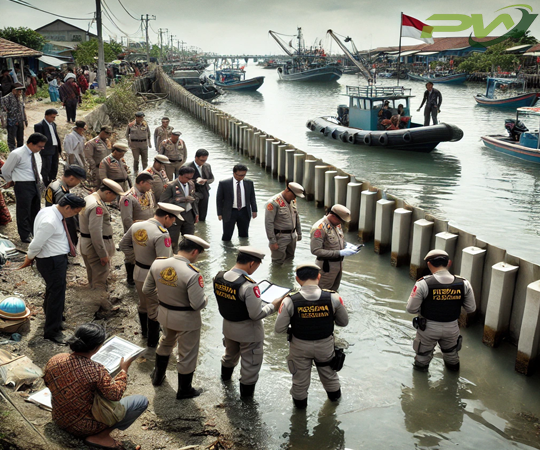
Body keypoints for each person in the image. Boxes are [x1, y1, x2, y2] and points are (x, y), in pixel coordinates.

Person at [43, 323, 148, 448]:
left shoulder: (55, 359)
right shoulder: (96, 370)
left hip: (59, 418)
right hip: (86, 427)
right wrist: (123, 370)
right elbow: (115, 394)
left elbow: (48, 382)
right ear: (97, 347)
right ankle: (101, 436)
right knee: (140, 401)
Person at [143, 235, 210, 399]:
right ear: (194, 252)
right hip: (186, 319)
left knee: (166, 341)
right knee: (187, 353)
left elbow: (146, 290)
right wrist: (206, 298)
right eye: (198, 254)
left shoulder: (158, 263)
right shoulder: (192, 274)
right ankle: (185, 389)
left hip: (165, 313)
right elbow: (197, 304)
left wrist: (164, 297)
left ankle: (157, 376)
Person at [274, 263, 349, 408]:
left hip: (299, 347)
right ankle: (334, 410)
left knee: (300, 382)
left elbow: (279, 329)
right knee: (330, 377)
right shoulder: (333, 297)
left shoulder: (290, 300)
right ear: (319, 277)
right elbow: (343, 322)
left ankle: (299, 418)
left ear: (297, 279)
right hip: (325, 346)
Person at [214, 246, 283, 397]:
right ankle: (246, 404)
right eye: (257, 265)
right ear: (252, 263)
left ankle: (225, 384)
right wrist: (273, 306)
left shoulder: (219, 276)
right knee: (250, 367)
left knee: (229, 356)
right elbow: (256, 314)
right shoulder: (249, 285)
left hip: (228, 327)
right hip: (248, 333)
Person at [18, 194, 84, 343]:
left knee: (53, 290)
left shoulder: (49, 211)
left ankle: (53, 317)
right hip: (52, 260)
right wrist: (29, 257)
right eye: (74, 212)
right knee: (57, 294)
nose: (74, 215)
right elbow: (36, 243)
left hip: (53, 259)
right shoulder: (50, 220)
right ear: (67, 207)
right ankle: (52, 332)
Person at [119, 203, 182, 347]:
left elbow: (123, 245)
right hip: (154, 277)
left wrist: (134, 259)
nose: (172, 224)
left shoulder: (137, 226)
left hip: (138, 272)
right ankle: (152, 345)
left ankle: (145, 334)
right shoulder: (161, 233)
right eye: (172, 220)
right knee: (154, 309)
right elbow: (165, 264)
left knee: (143, 305)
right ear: (166, 217)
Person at [406, 249, 476, 372]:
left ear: (429, 264)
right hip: (452, 327)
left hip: (428, 328)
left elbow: (411, 309)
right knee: (452, 357)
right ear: (449, 263)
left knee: (422, 359)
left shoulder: (423, 284)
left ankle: (420, 388)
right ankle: (453, 386)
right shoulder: (463, 283)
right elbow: (471, 308)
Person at [79, 179, 126, 301]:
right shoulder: (97, 206)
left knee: (92, 276)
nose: (114, 200)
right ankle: (99, 306)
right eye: (114, 196)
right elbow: (95, 232)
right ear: (108, 192)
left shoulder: (89, 198)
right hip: (95, 247)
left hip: (85, 242)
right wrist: (103, 254)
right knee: (100, 278)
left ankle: (94, 300)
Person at [1, 133, 47, 243]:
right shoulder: (17, 154)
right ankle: (25, 234)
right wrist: (11, 180)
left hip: (36, 183)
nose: (42, 148)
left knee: (35, 208)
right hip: (23, 184)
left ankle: (34, 231)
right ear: (31, 143)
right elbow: (6, 170)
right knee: (24, 210)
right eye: (40, 146)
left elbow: (37, 167)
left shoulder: (36, 153)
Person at [310, 204, 358, 291]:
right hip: (326, 268)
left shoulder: (336, 225)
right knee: (323, 292)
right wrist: (340, 253)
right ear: (332, 215)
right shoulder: (320, 228)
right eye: (340, 220)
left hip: (338, 265)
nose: (341, 223)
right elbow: (315, 250)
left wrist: (347, 245)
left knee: (334, 292)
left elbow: (339, 241)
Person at [120, 172, 156, 285]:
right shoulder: (128, 197)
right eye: (149, 184)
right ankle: (130, 279)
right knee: (132, 256)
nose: (151, 186)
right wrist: (134, 235)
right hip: (136, 233)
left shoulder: (148, 193)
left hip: (149, 231)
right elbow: (127, 219)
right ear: (141, 182)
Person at [159, 166, 198, 253]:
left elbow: (194, 200)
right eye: (187, 178)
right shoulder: (170, 185)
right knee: (173, 241)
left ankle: (187, 257)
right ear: (180, 175)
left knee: (190, 239)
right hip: (174, 216)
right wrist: (180, 199)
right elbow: (163, 201)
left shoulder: (191, 184)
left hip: (189, 215)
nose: (189, 180)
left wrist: (196, 213)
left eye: (190, 178)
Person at [216, 164, 258, 242]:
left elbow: (252, 197)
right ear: (234, 173)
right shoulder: (224, 183)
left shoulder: (249, 183)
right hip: (230, 211)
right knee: (227, 235)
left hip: (244, 211)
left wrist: (254, 210)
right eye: (240, 175)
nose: (241, 177)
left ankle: (244, 250)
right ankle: (227, 252)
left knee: (244, 235)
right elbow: (219, 199)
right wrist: (219, 213)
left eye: (244, 175)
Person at [265, 182, 304, 264]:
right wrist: (272, 241)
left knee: (290, 259)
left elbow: (296, 217)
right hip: (280, 237)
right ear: (287, 190)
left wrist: (299, 233)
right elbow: (269, 223)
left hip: (292, 236)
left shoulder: (292, 201)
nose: (294, 198)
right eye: (294, 195)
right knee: (277, 262)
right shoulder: (273, 203)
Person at [34, 108, 62, 186]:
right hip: (46, 150)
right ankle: (46, 183)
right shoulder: (39, 126)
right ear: (47, 116)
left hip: (54, 148)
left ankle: (52, 181)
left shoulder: (53, 125)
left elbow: (55, 136)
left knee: (54, 166)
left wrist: (59, 148)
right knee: (46, 167)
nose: (54, 119)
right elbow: (38, 139)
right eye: (52, 117)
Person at [187, 149, 214, 222]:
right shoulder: (188, 167)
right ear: (196, 158)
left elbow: (211, 179)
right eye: (202, 160)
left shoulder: (207, 166)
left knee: (203, 212)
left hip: (204, 190)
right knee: (193, 212)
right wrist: (196, 181)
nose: (203, 162)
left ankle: (202, 227)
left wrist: (205, 181)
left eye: (205, 160)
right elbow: (183, 180)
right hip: (192, 191)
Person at [0, 83, 27, 151]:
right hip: (11, 123)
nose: (20, 92)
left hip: (20, 122)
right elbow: (4, 112)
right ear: (14, 90)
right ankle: (13, 153)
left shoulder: (20, 98)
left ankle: (20, 153)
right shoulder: (6, 99)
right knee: (11, 140)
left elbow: (22, 109)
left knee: (20, 140)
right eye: (19, 90)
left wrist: (25, 120)